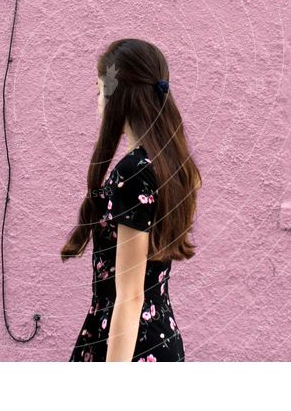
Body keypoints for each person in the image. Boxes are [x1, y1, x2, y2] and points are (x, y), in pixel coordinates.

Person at [62, 38, 202, 362]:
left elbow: (129, 296)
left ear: (118, 94)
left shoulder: (134, 172)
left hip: (130, 348)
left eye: (101, 90)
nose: (98, 99)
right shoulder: (170, 165)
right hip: (159, 336)